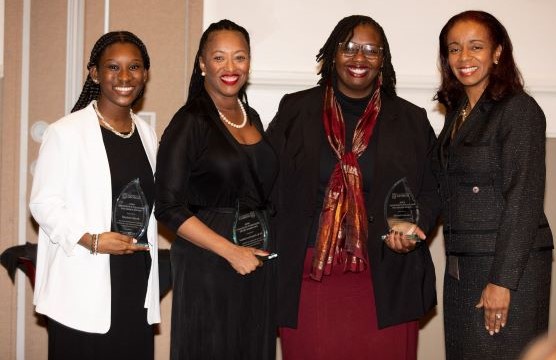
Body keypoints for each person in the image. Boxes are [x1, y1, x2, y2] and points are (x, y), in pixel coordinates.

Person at [267, 15, 440, 360]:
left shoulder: (411, 119)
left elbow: (433, 189)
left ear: (383, 60)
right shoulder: (295, 110)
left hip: (387, 277)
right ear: (332, 54)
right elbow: (266, 184)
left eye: (370, 50)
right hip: (308, 274)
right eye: (348, 47)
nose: (359, 58)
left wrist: (412, 230)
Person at [29, 31, 160, 360]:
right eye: (113, 67)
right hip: (84, 280)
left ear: (145, 73)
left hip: (135, 277)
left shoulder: (146, 133)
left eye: (134, 67)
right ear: (94, 73)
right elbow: (43, 204)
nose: (125, 77)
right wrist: (92, 240)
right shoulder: (66, 132)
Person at [432, 10, 554, 360]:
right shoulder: (459, 114)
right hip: (462, 267)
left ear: (497, 52)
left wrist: (502, 282)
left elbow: (524, 199)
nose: (463, 58)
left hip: (506, 270)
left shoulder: (518, 110)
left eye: (475, 47)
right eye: (454, 49)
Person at [154, 19, 277, 360]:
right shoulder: (189, 121)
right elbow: (167, 206)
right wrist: (230, 251)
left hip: (255, 258)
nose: (230, 67)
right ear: (202, 63)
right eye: (219, 57)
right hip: (209, 263)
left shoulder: (250, 115)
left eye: (240, 57)